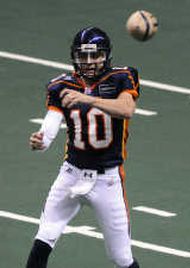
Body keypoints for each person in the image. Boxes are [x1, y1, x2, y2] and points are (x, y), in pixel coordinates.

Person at [26, 27, 140, 268]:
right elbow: (51, 124)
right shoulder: (60, 85)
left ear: (106, 55)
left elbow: (127, 109)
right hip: (71, 174)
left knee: (121, 257)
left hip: (107, 179)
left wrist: (87, 98)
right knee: (44, 236)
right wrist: (41, 141)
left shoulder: (122, 77)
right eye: (83, 56)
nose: (88, 62)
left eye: (94, 55)